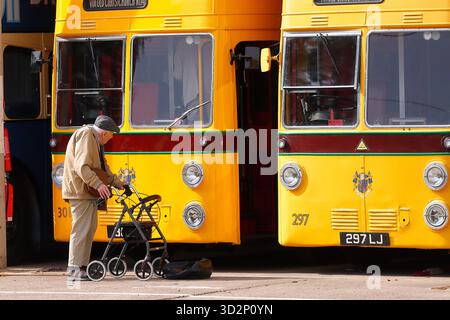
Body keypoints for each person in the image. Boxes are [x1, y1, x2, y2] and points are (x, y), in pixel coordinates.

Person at [62, 115, 123, 281]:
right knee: (81, 228)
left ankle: (82, 266)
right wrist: (99, 184)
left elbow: (102, 167)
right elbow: (82, 166)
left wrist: (118, 183)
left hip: (85, 191)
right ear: (104, 133)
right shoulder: (86, 135)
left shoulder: (94, 139)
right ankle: (74, 268)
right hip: (79, 191)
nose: (110, 139)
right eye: (110, 136)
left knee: (89, 227)